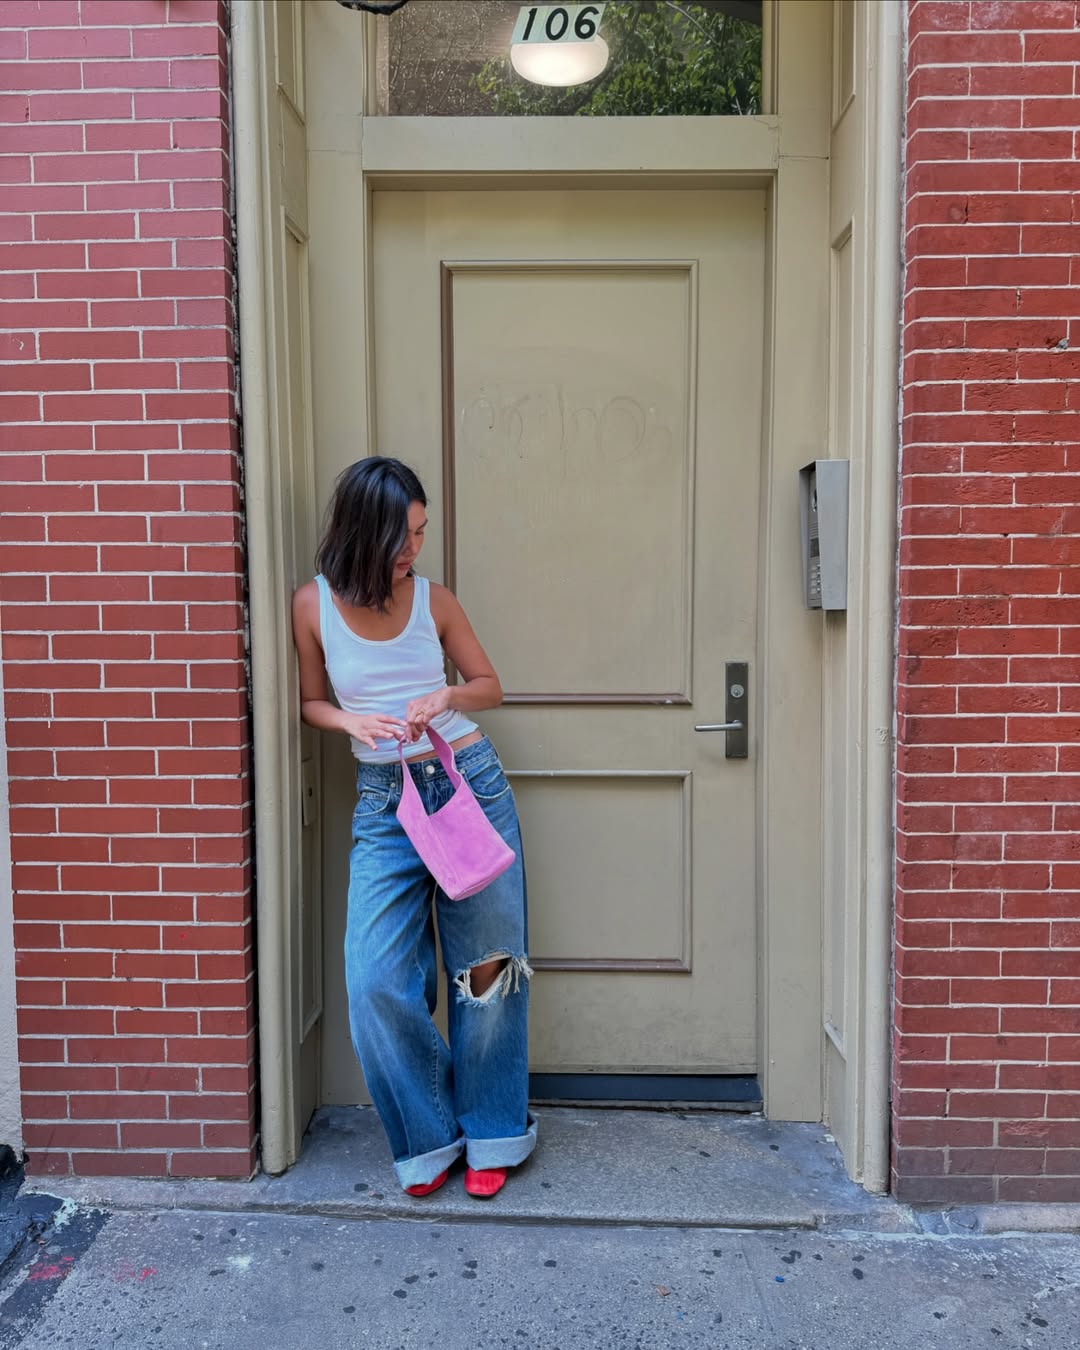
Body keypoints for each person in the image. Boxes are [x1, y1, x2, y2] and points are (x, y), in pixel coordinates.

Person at [291, 457, 535, 1199]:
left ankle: (494, 1130)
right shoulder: (312, 607)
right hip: (382, 798)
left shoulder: (435, 601)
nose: (414, 550)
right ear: (363, 534)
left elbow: (490, 686)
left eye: (421, 534)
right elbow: (309, 701)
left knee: (487, 968)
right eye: (404, 536)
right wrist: (348, 719)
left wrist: (444, 695)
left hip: (464, 782)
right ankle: (429, 1139)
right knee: (373, 979)